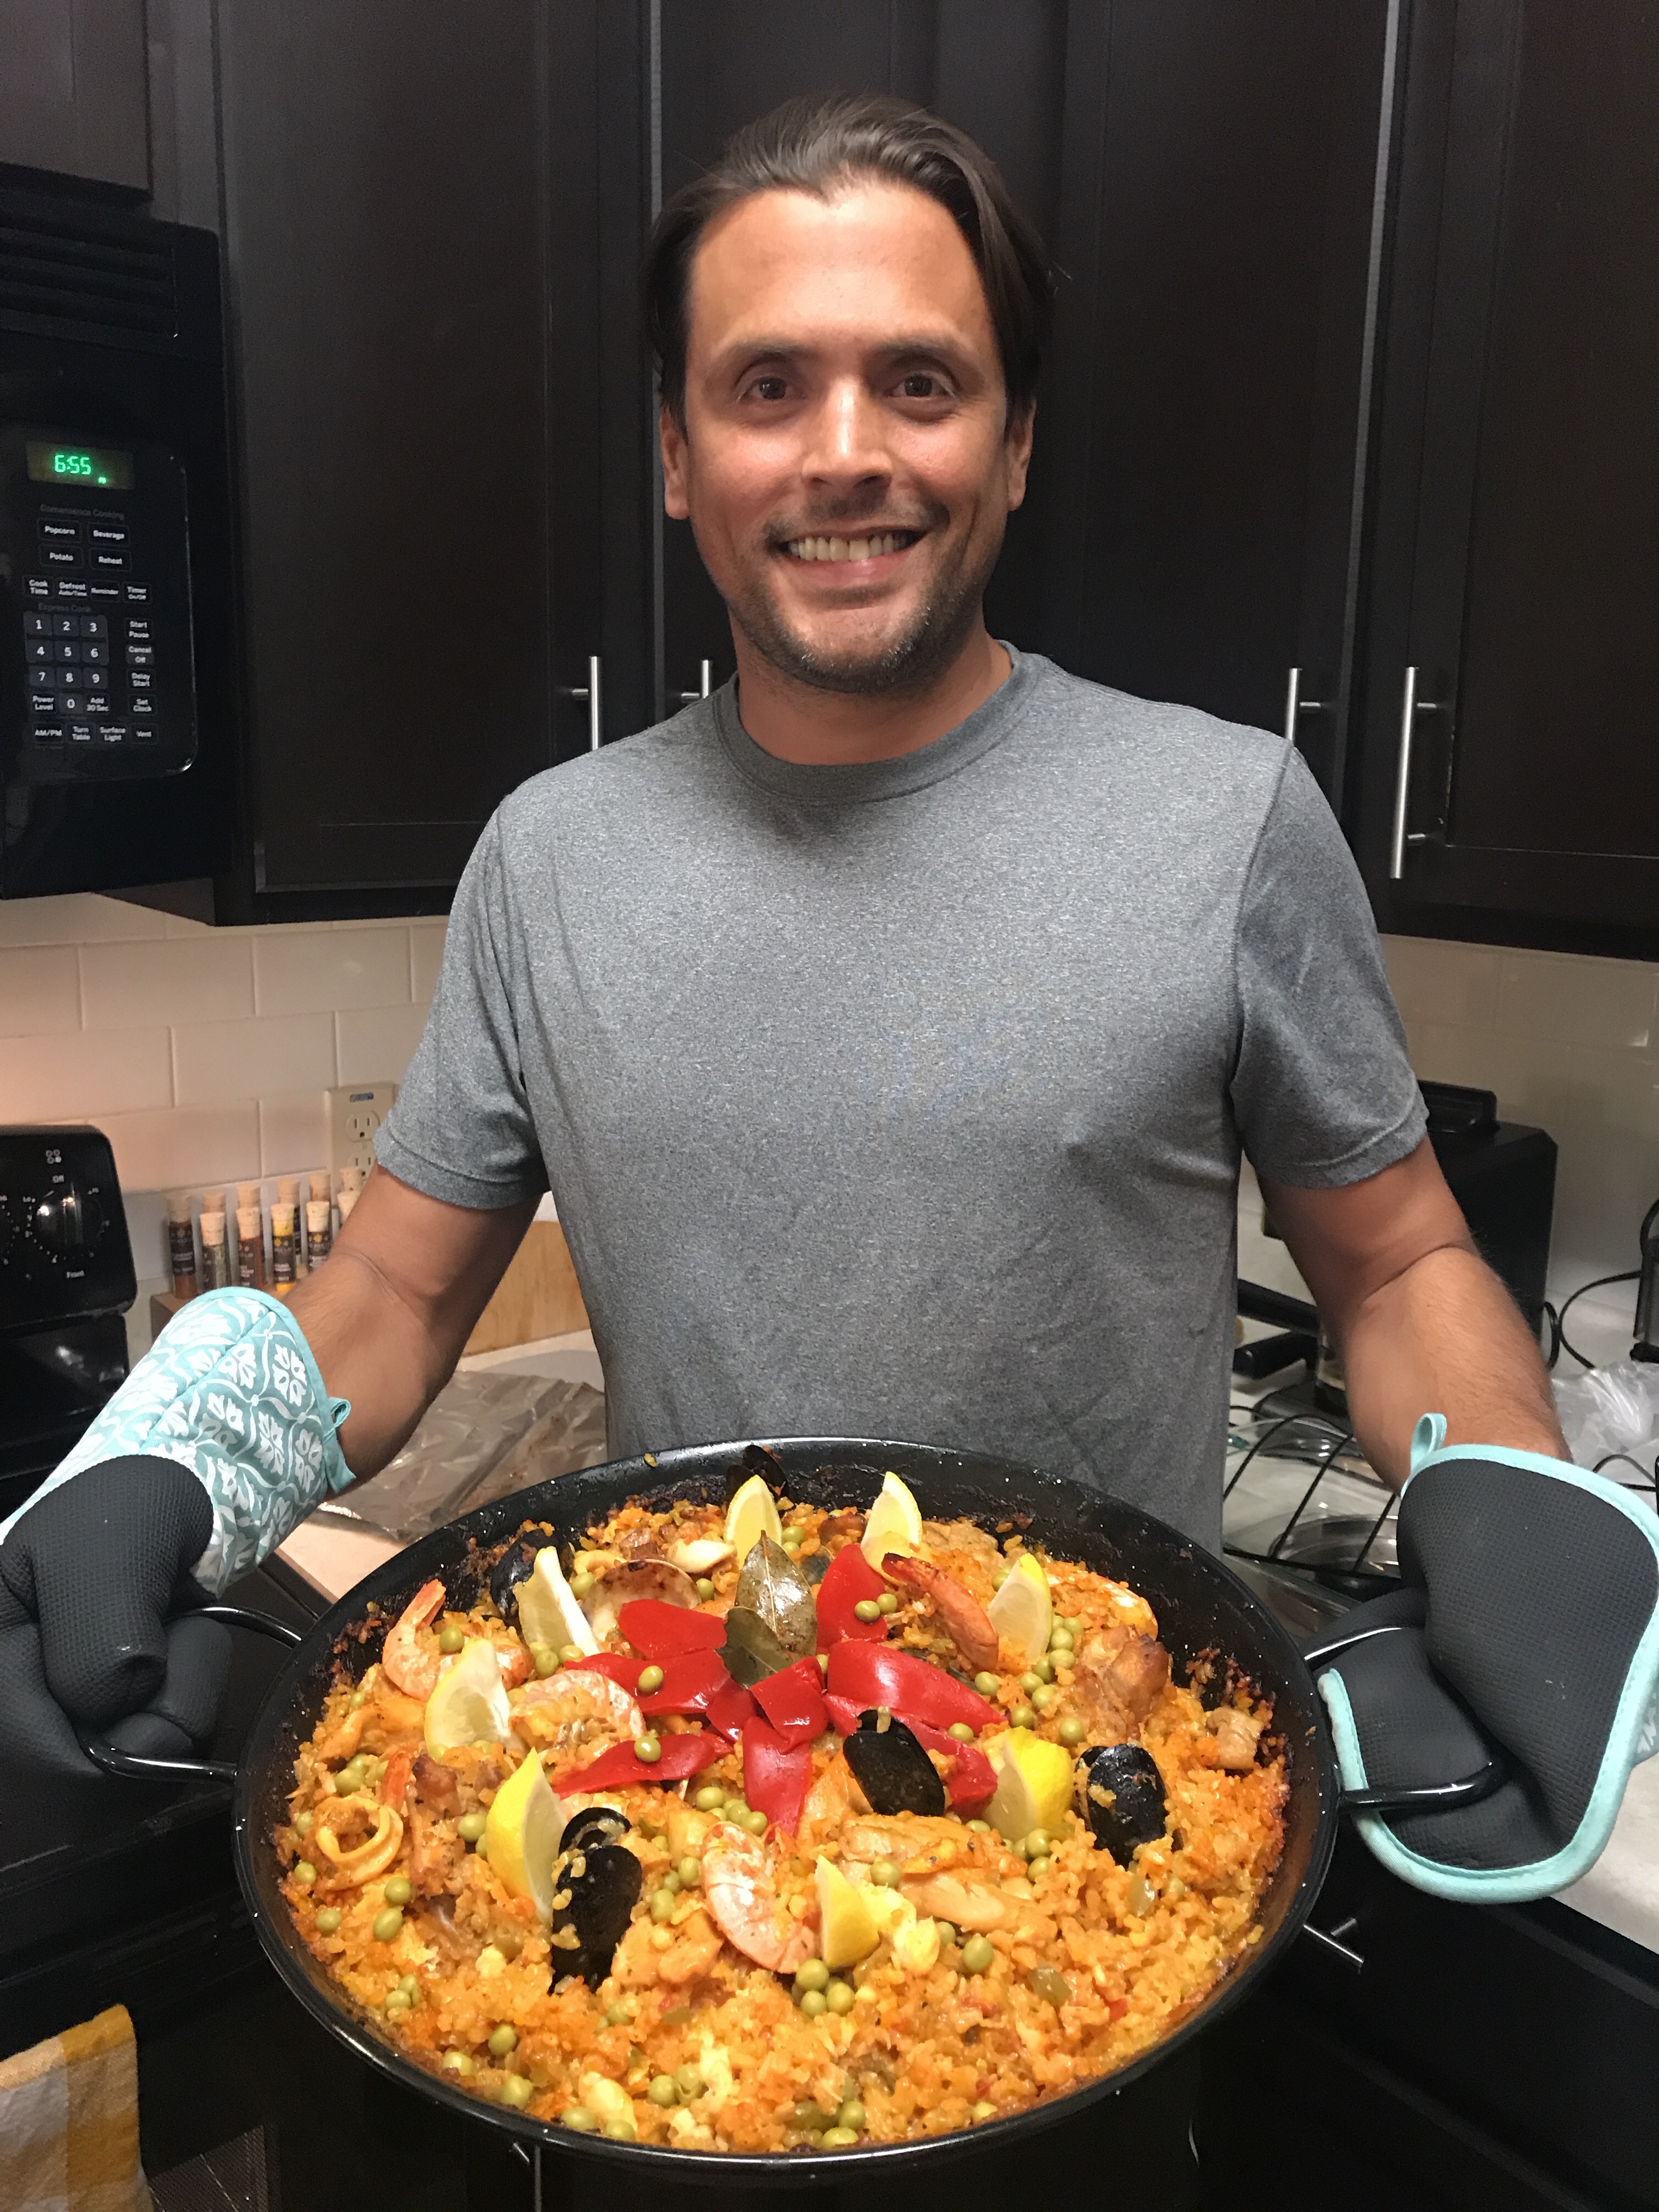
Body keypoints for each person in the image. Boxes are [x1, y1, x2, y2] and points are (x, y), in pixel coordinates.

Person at [5, 97, 1631, 1878]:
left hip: (1100, 1837)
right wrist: (168, 1461)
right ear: (680, 453)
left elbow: (1396, 1259)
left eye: (920, 384)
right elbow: (392, 1291)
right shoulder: (551, 859)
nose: (843, 453)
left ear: (1016, 446)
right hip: (700, 1823)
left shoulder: (1224, 820)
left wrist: (1511, 1501)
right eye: (766, 386)